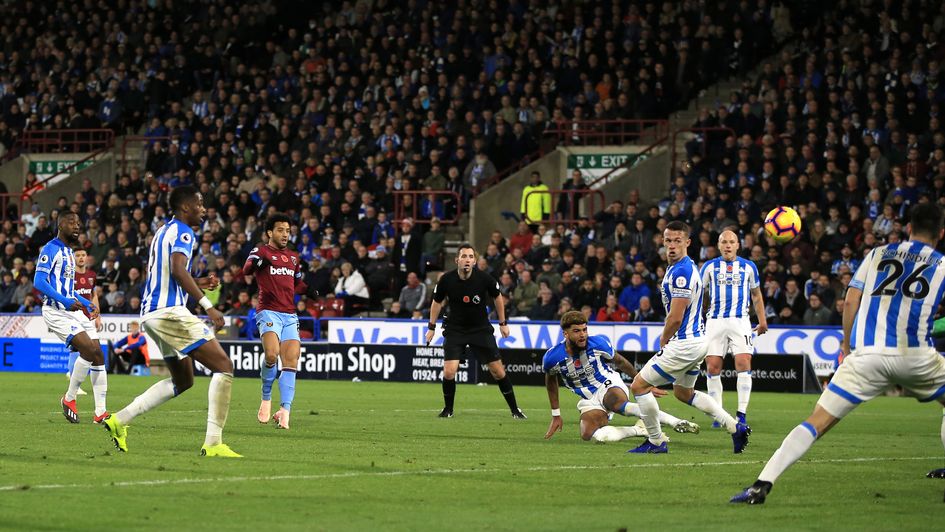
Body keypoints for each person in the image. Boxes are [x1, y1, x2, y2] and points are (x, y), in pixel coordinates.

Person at [732, 203, 945, 504]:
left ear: (908, 228)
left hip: (867, 356)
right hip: (917, 355)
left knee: (816, 421)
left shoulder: (878, 254)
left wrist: (847, 346)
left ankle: (761, 484)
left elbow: (851, 300)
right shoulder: (942, 264)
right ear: (941, 233)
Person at [101, 186, 241, 458]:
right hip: (168, 311)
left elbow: (168, 273)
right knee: (224, 366)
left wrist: (199, 282)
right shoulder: (184, 232)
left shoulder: (163, 232)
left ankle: (119, 420)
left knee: (184, 380)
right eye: (199, 204)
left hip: (151, 314)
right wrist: (208, 305)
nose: (203, 209)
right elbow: (178, 270)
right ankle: (213, 443)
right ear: (185, 207)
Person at [628, 221, 751, 454]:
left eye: (677, 241)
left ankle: (655, 441)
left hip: (684, 343)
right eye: (668, 241)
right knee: (683, 393)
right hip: (697, 342)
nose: (672, 246)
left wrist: (664, 338)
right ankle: (735, 427)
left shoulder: (682, 272)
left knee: (639, 386)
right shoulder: (681, 267)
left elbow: (676, 316)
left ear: (688, 242)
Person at [543, 311, 699, 442]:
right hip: (589, 399)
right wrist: (556, 414)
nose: (583, 335)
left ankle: (676, 422)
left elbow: (620, 362)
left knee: (617, 404)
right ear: (565, 333)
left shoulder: (597, 343)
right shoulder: (552, 357)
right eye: (577, 331)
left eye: (584, 329)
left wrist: (643, 382)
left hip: (608, 384)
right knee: (591, 435)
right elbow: (550, 380)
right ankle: (638, 430)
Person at [425, 244, 526, 419]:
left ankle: (515, 410)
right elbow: (436, 302)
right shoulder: (446, 280)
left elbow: (498, 297)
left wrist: (503, 323)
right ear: (457, 260)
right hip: (455, 329)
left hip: (480, 329)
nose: (467, 260)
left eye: (471, 257)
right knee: (449, 371)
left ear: (475, 261)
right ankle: (448, 409)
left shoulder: (485, 279)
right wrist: (431, 327)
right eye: (464, 256)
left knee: (498, 371)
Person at [35, 212, 106, 424]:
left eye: (79, 223)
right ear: (60, 225)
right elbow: (39, 282)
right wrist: (64, 301)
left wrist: (86, 303)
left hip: (72, 309)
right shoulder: (51, 248)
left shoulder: (68, 252)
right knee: (89, 349)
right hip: (55, 311)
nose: (77, 226)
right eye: (72, 223)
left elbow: (67, 289)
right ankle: (69, 398)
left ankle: (100, 412)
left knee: (99, 355)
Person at [243, 212, 310, 429]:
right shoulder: (261, 250)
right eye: (280, 230)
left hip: (290, 314)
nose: (285, 234)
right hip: (268, 311)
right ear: (270, 232)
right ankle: (266, 396)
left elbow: (297, 283)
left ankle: (285, 411)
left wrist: (313, 290)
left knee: (291, 361)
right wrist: (256, 263)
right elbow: (246, 269)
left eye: (288, 231)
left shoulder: (293, 257)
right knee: (271, 355)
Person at [700, 230, 768, 427]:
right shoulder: (709, 267)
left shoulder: (749, 267)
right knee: (712, 366)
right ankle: (718, 414)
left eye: (731, 242)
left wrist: (762, 321)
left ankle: (741, 413)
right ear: (718, 245)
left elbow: (756, 295)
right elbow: (700, 294)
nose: (728, 245)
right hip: (715, 321)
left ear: (738, 245)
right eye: (724, 242)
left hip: (740, 321)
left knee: (743, 363)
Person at [65, 248, 102, 395]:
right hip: (74, 316)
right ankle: (75, 382)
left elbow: (93, 295)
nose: (81, 258)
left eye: (83, 255)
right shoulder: (69, 275)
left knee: (88, 349)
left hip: (88, 317)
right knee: (78, 348)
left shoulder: (91, 275)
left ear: (87, 257)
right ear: (73, 258)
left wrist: (98, 315)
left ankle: (72, 375)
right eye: (77, 255)